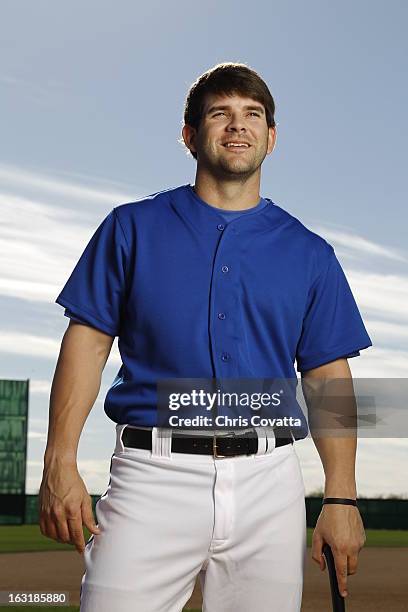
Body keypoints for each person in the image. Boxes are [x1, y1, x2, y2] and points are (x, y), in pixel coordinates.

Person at [39, 62, 372, 612]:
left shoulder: (311, 253)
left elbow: (327, 377)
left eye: (252, 115)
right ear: (190, 136)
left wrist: (342, 495)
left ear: (271, 137)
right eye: (221, 114)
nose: (237, 126)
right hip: (151, 477)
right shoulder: (131, 227)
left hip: (269, 484)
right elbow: (87, 344)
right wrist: (59, 460)